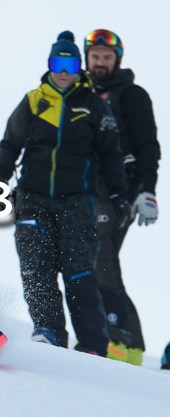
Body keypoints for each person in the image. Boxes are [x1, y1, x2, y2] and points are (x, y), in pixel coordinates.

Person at [0, 31, 132, 356]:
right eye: (58, 63)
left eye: (70, 64)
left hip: (78, 204)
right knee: (36, 269)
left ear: (78, 66)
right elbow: (9, 146)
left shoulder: (93, 106)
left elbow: (111, 155)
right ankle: (49, 332)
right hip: (32, 199)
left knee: (79, 273)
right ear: (50, 65)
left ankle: (93, 346)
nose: (64, 71)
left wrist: (119, 194)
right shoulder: (33, 101)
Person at [84, 29, 161, 366]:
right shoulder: (80, 94)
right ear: (87, 58)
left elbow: (149, 145)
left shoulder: (130, 94)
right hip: (86, 189)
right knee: (91, 261)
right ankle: (131, 346)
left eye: (107, 57)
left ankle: (119, 339)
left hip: (122, 189)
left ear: (117, 60)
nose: (101, 62)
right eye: (96, 56)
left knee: (101, 257)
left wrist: (147, 190)